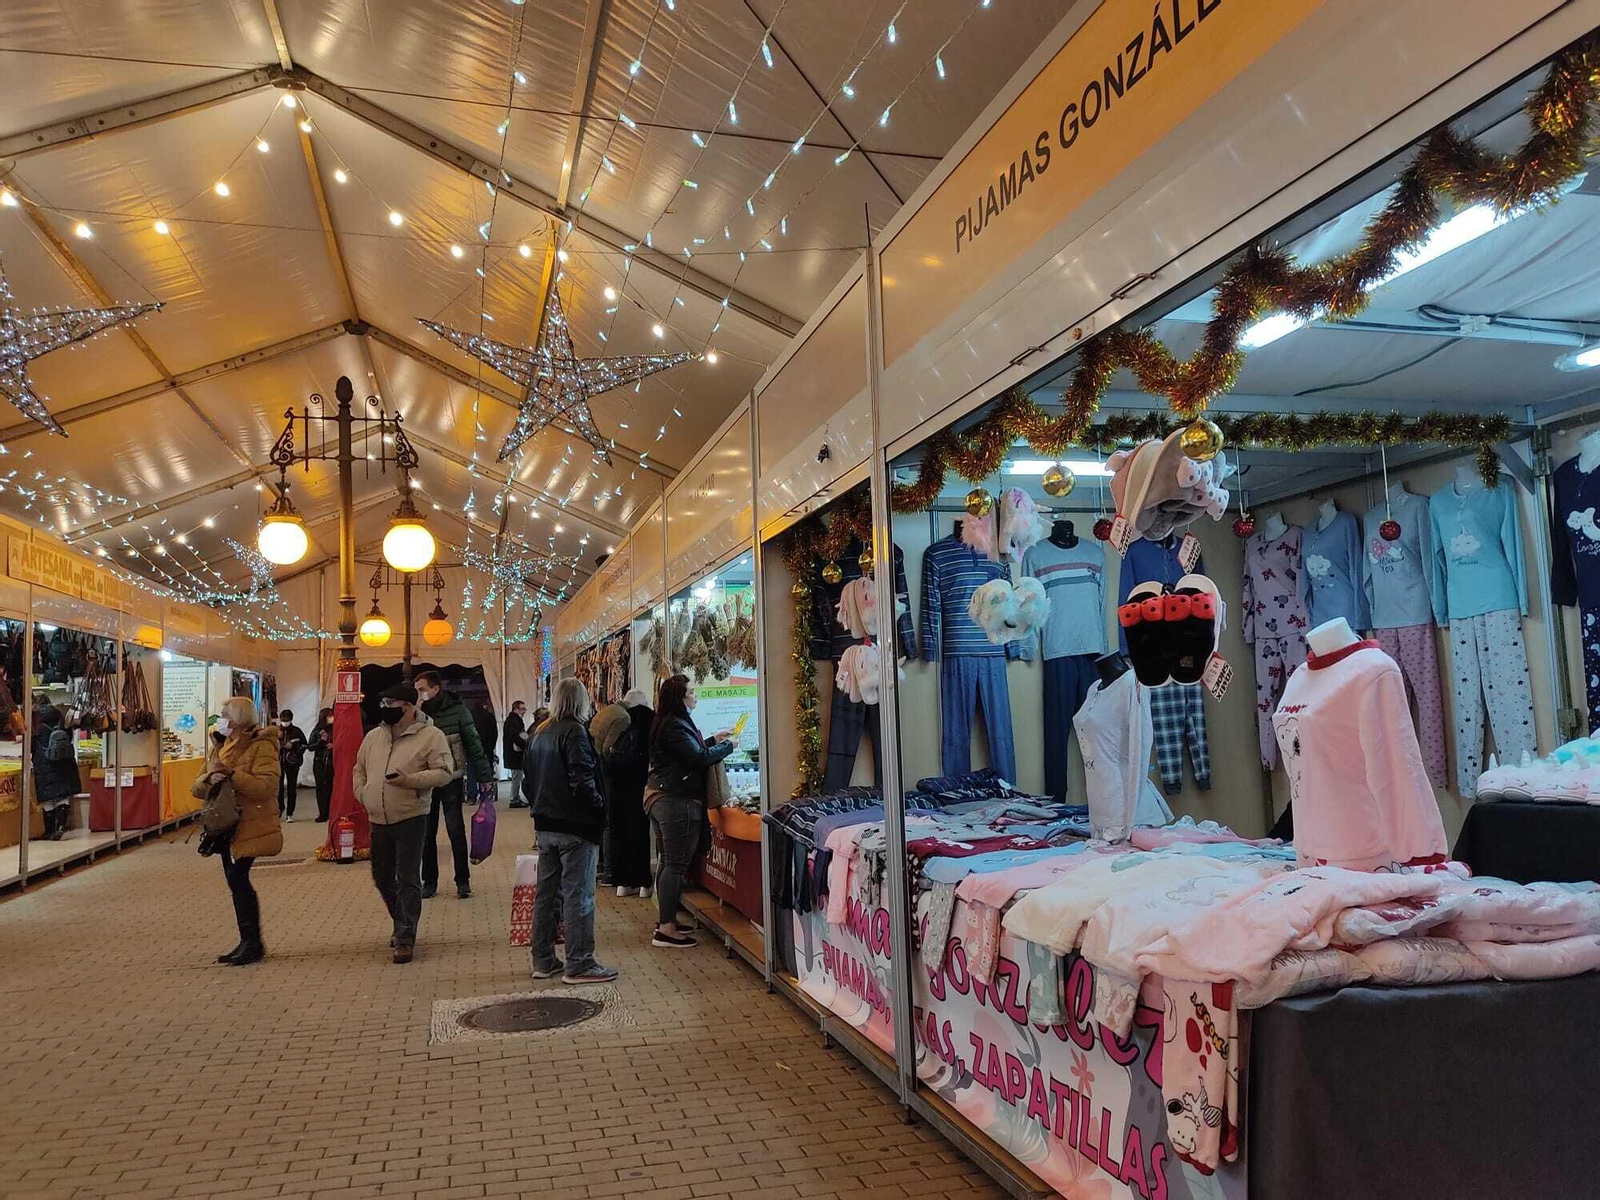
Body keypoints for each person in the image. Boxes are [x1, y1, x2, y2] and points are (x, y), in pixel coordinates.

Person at [524, 678, 617, 985]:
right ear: (581, 701)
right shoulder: (575, 732)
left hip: (545, 824)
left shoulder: (540, 731)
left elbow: (527, 781)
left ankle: (544, 959)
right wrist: (600, 810)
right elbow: (582, 781)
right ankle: (579, 963)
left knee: (547, 895)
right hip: (575, 827)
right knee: (579, 895)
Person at [352, 682, 452, 964]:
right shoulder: (374, 737)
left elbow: (444, 772)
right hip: (377, 818)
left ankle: (406, 936)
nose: (385, 710)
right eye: (383, 704)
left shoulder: (431, 736)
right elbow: (358, 769)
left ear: (408, 707)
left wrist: (410, 781)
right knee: (382, 876)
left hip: (411, 816)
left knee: (407, 877)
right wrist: (361, 792)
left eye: (391, 705)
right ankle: (400, 921)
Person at [646, 674, 736, 949]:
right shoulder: (674, 725)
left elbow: (688, 753)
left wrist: (710, 740)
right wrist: (727, 747)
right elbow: (696, 759)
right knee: (675, 864)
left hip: (663, 797)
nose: (695, 696)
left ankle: (666, 920)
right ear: (680, 698)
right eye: (691, 692)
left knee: (668, 862)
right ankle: (666, 929)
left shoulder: (668, 722)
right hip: (676, 801)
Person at [190, 696, 282, 966]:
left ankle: (252, 943)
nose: (220, 719)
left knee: (239, 879)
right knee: (235, 881)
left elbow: (266, 787)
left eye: (224, 714)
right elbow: (195, 787)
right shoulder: (219, 746)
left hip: (250, 824)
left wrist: (232, 774)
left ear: (239, 719)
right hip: (224, 823)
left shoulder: (261, 746)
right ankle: (248, 940)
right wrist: (210, 778)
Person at [414, 670, 491, 900]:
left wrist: (485, 777)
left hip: (451, 779)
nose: (419, 694)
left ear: (435, 689)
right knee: (426, 833)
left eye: (422, 690)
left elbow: (474, 745)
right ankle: (428, 881)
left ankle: (462, 880)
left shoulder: (458, 711)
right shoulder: (416, 714)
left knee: (455, 830)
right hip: (425, 780)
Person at [600, 688, 654, 898]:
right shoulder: (649, 725)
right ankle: (643, 883)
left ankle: (622, 882)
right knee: (640, 837)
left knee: (619, 834)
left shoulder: (618, 723)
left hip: (615, 789)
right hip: (639, 788)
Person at [31, 702, 80, 841]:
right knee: (63, 795)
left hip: (44, 764)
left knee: (47, 798)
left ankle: (49, 830)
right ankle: (61, 826)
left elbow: (32, 744)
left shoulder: (36, 722)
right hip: (64, 762)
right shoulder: (61, 718)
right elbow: (69, 737)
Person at [277, 708, 307, 821]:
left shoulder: (297, 731)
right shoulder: (276, 732)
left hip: (293, 764)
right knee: (279, 789)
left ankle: (290, 814)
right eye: (283, 720)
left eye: (287, 720)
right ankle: (279, 810)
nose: (285, 722)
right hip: (279, 763)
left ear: (291, 719)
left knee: (291, 789)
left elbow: (305, 745)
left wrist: (294, 747)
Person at [309, 707, 334, 822]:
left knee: (331, 788)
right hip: (320, 762)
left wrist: (334, 746)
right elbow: (310, 747)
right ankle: (323, 813)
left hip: (332, 762)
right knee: (321, 788)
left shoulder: (335, 729)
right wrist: (322, 742)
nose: (332, 718)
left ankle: (331, 811)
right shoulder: (317, 730)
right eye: (329, 716)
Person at [504, 700, 529, 808]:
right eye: (522, 709)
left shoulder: (512, 720)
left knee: (516, 776)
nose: (524, 711)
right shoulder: (515, 721)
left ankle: (515, 797)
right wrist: (525, 746)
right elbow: (515, 736)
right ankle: (514, 799)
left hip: (512, 752)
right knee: (517, 776)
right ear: (516, 709)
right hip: (515, 753)